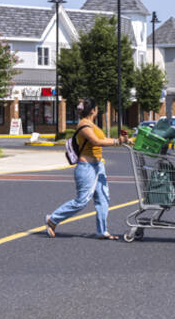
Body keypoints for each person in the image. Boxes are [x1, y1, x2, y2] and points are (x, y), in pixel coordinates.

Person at [45, 98, 127, 239]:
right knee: (82, 201)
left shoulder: (91, 125)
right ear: (93, 110)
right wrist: (116, 141)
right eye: (96, 108)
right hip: (87, 167)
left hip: (98, 166)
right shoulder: (84, 125)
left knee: (103, 199)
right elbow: (96, 141)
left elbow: (102, 139)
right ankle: (53, 219)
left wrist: (123, 140)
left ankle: (102, 231)